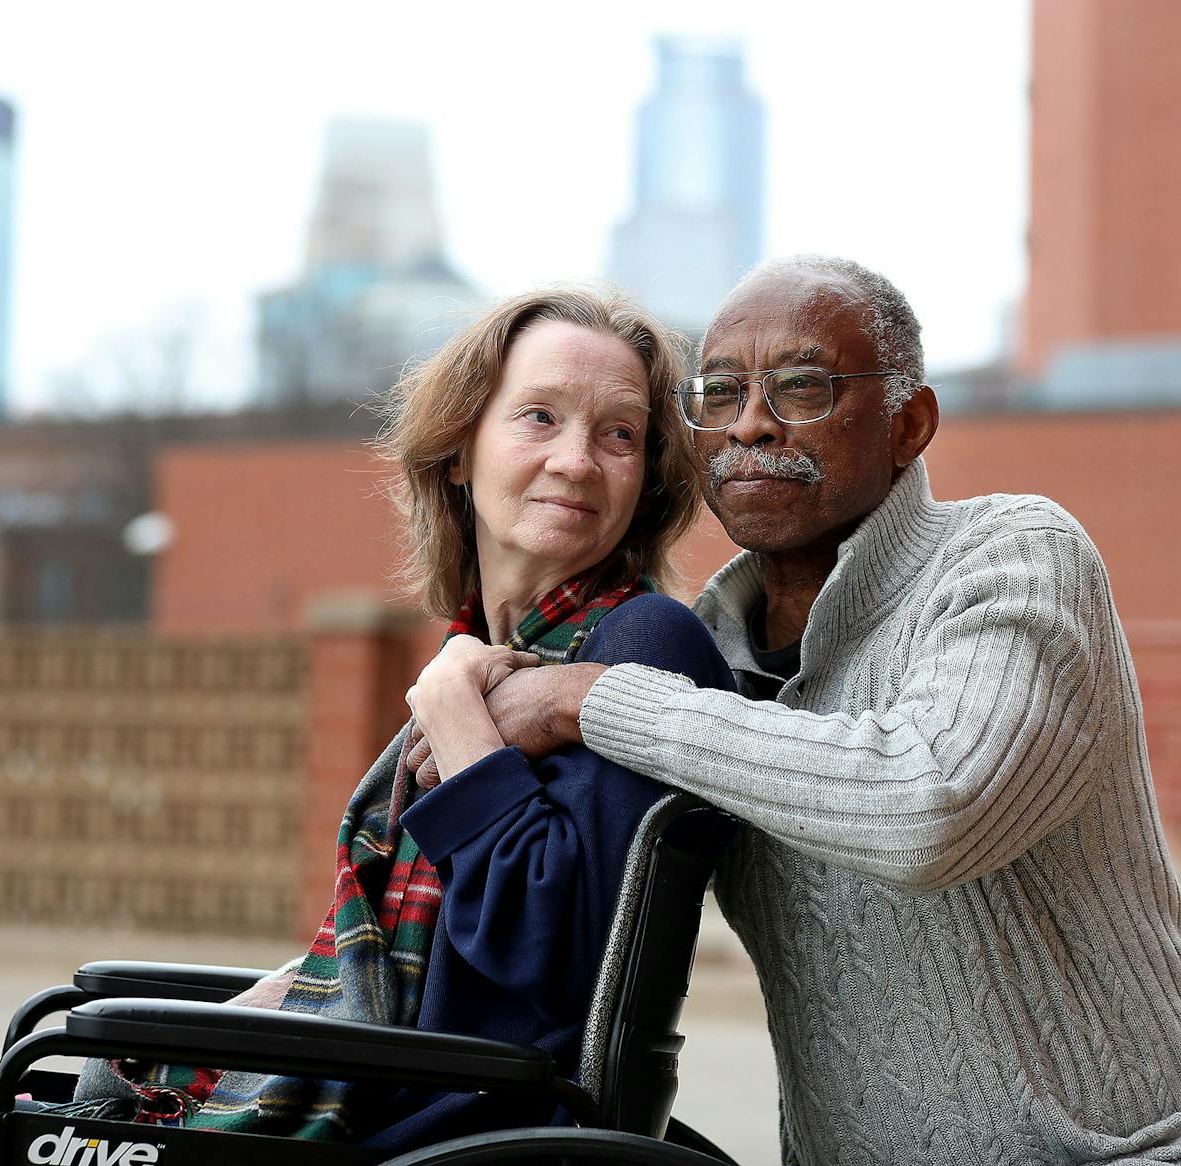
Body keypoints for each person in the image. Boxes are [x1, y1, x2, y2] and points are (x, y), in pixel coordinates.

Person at [0, 287, 736, 1164]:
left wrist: (459, 721)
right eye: (540, 416)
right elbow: (361, 972)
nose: (578, 459)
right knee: (34, 1090)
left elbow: (545, 959)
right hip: (379, 1097)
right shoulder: (491, 654)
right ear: (461, 448)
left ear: (644, 477)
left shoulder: (636, 645)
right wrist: (190, 1047)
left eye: (618, 434)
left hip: (434, 1130)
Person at [414, 255, 1181, 1165]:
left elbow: (932, 804)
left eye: (802, 387)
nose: (750, 423)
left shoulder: (1011, 556)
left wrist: (589, 699)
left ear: (910, 424)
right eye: (722, 392)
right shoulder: (707, 657)